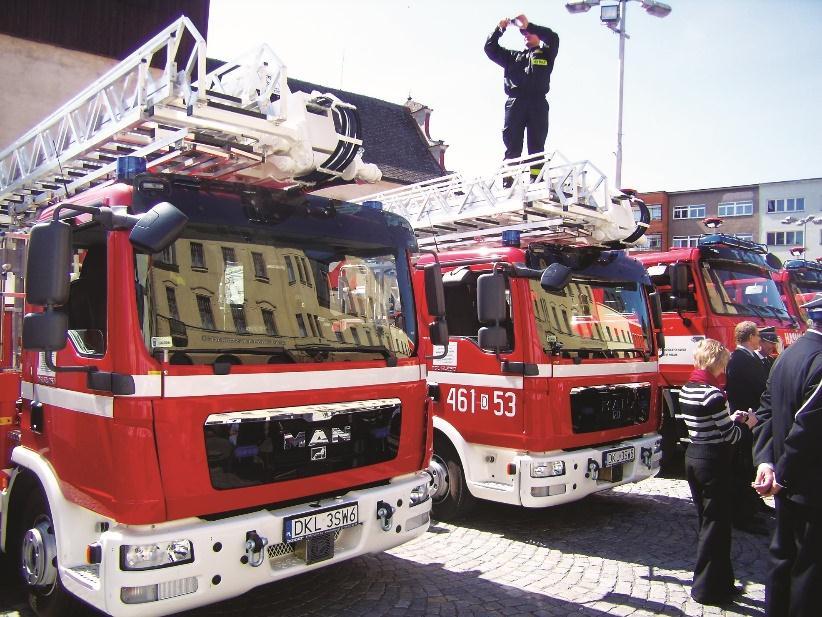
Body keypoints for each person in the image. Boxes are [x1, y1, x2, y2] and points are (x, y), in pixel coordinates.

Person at [753, 294, 822, 617]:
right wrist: (780, 471)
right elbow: (807, 429)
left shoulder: (787, 356)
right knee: (808, 570)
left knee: (781, 559)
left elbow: (766, 412)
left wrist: (766, 461)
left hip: (785, 480)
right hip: (808, 484)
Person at [679, 338, 758, 605]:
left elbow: (707, 424)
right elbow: (730, 436)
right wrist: (747, 423)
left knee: (709, 522)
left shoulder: (687, 388)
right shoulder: (713, 394)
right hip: (713, 462)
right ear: (717, 362)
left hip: (695, 456)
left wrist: (732, 418)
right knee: (716, 527)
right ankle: (706, 589)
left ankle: (722, 582)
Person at [484, 14, 559, 184]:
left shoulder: (547, 54)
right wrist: (500, 29)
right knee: (512, 144)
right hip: (515, 102)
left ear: (538, 36)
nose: (525, 35)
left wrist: (527, 26)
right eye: (524, 34)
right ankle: (508, 181)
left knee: (537, 145)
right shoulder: (512, 57)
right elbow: (490, 48)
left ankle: (536, 179)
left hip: (538, 102)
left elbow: (553, 37)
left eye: (529, 33)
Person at [725, 321, 770, 535]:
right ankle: (744, 515)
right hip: (745, 420)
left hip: (751, 418)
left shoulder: (747, 357)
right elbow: (760, 387)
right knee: (743, 467)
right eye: (757, 336)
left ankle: (753, 506)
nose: (760, 339)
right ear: (750, 336)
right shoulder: (740, 358)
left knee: (749, 466)